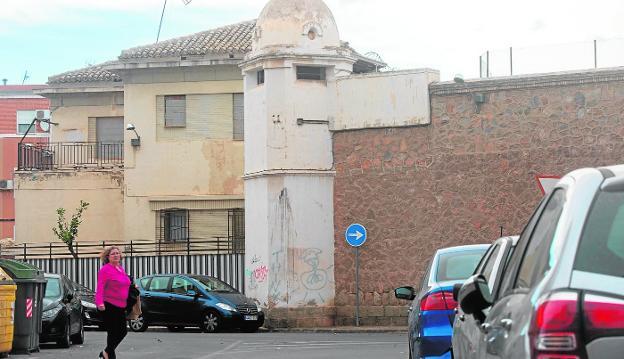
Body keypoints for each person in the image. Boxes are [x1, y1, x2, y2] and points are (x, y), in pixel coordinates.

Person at [95, 246, 131, 359]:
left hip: (121, 306)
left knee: (120, 331)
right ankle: (108, 353)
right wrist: (99, 302)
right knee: (116, 331)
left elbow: (124, 283)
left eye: (117, 253)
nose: (116, 255)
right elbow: (100, 287)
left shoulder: (120, 269)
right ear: (108, 257)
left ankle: (107, 353)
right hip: (109, 305)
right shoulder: (105, 269)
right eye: (113, 254)